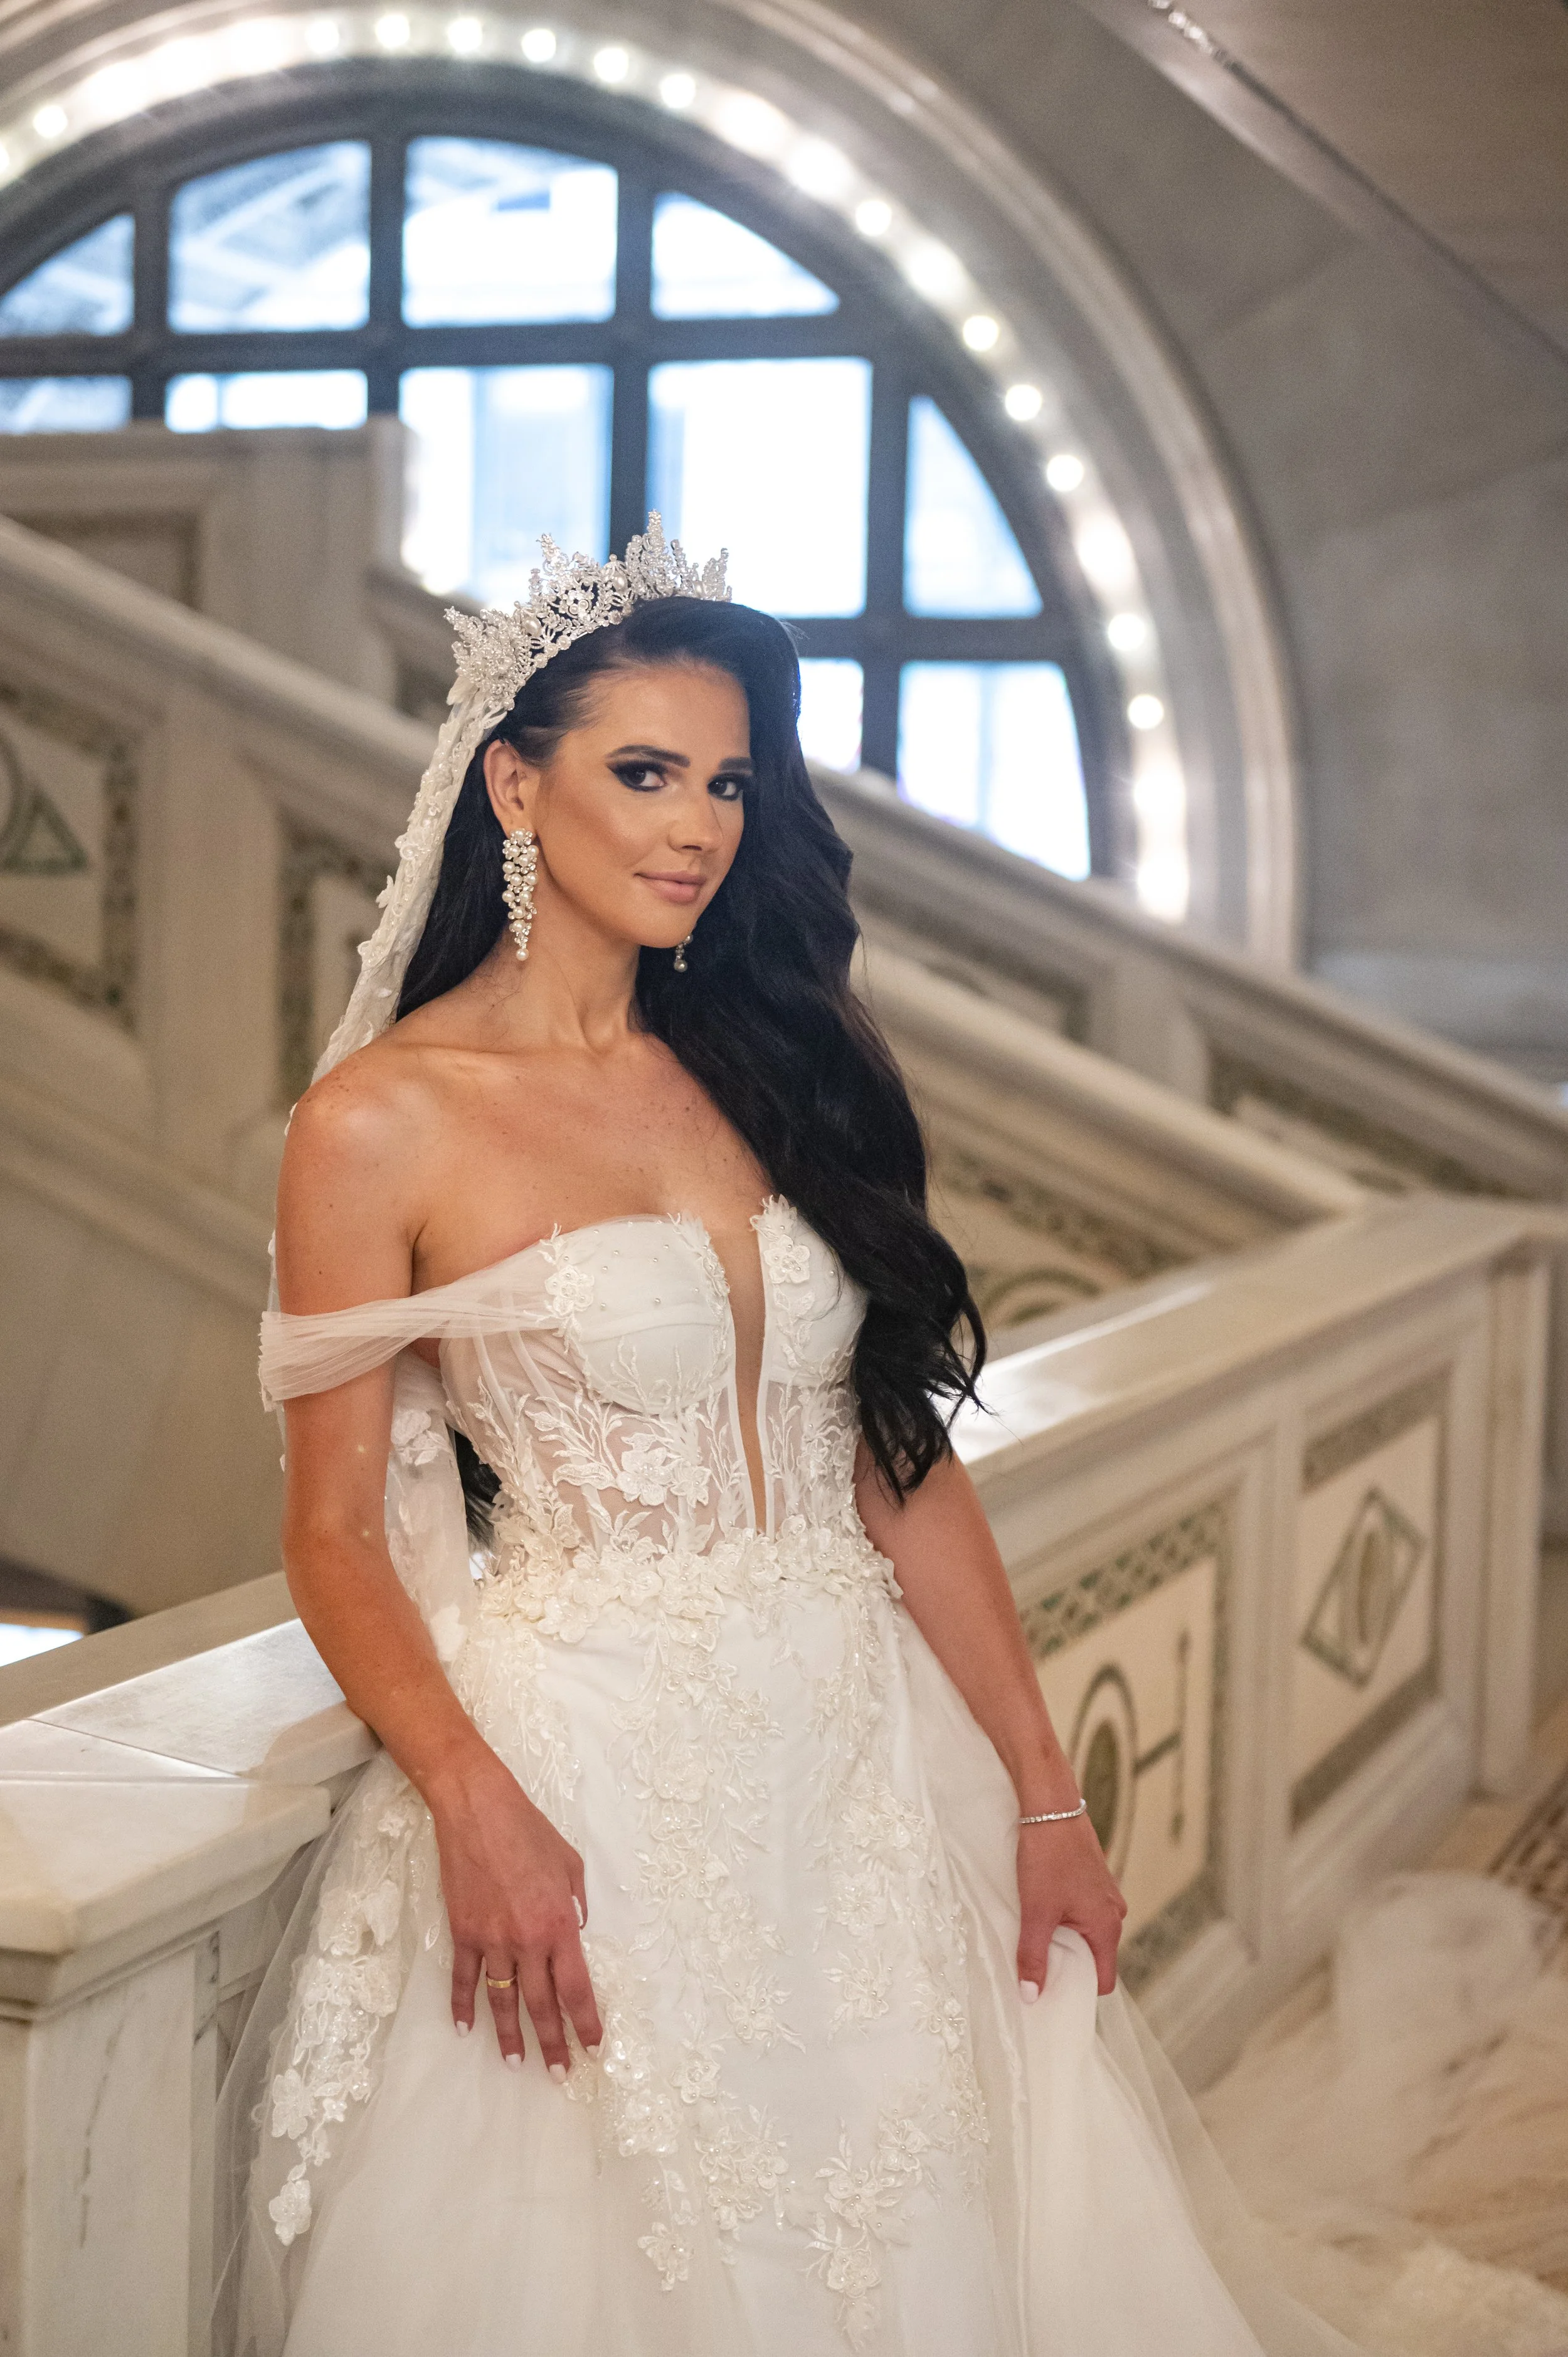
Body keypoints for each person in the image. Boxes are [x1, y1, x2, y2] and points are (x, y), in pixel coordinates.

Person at [216, 521, 1362, 2356]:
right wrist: (474, 1801)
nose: (697, 826)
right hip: (587, 1774)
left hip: (854, 1767)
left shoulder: (767, 1061)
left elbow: (892, 1462)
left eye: (728, 782)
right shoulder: (382, 1123)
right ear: (513, 783)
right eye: (644, 772)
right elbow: (335, 1532)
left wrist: (1045, 1797)